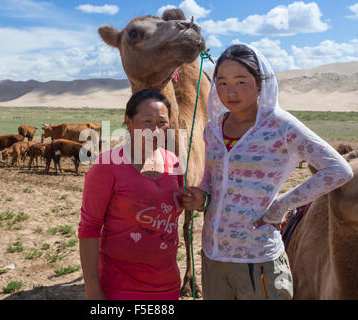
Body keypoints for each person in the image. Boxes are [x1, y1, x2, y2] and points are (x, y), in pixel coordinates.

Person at [180, 44, 354, 300]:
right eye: (222, 82)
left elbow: (337, 169)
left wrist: (281, 205)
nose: (231, 92)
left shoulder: (281, 126)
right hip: (213, 256)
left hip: (258, 258)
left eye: (241, 81)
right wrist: (202, 198)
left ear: (260, 83)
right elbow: (210, 180)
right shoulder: (214, 128)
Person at [78, 89, 184, 300]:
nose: (155, 130)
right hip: (120, 286)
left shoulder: (173, 162)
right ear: (129, 121)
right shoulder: (107, 166)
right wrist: (92, 290)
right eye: (146, 121)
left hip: (168, 285)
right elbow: (89, 228)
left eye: (162, 122)